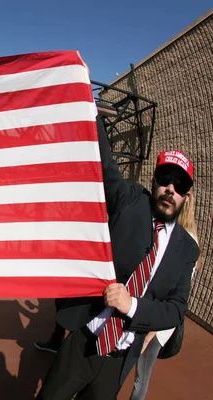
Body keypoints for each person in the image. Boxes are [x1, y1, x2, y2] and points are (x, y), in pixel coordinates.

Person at [36, 118, 200, 400]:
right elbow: (105, 166)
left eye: (180, 184)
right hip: (83, 341)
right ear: (154, 180)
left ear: (186, 196)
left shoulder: (187, 249)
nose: (170, 189)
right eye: (165, 179)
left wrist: (132, 305)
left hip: (120, 359)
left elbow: (175, 309)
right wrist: (90, 111)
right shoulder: (131, 200)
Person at [130, 187, 201, 400]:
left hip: (159, 325)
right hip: (144, 309)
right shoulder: (165, 228)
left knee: (141, 376)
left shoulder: (187, 242)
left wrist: (150, 334)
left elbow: (177, 296)